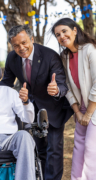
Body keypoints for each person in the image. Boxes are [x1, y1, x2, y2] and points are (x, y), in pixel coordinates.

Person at [0, 25, 73, 180]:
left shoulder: (49, 55)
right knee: (39, 149)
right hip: (30, 109)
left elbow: (61, 83)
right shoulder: (12, 58)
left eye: (24, 42)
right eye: (16, 45)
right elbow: (6, 83)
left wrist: (56, 89)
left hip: (53, 107)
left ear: (31, 39)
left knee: (54, 149)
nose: (21, 48)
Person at [51, 18, 96, 180]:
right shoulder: (64, 56)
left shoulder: (89, 49)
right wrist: (77, 111)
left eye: (64, 31)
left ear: (75, 30)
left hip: (94, 108)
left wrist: (88, 113)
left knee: (91, 150)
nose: (61, 36)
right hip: (81, 109)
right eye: (57, 34)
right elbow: (67, 86)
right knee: (78, 149)